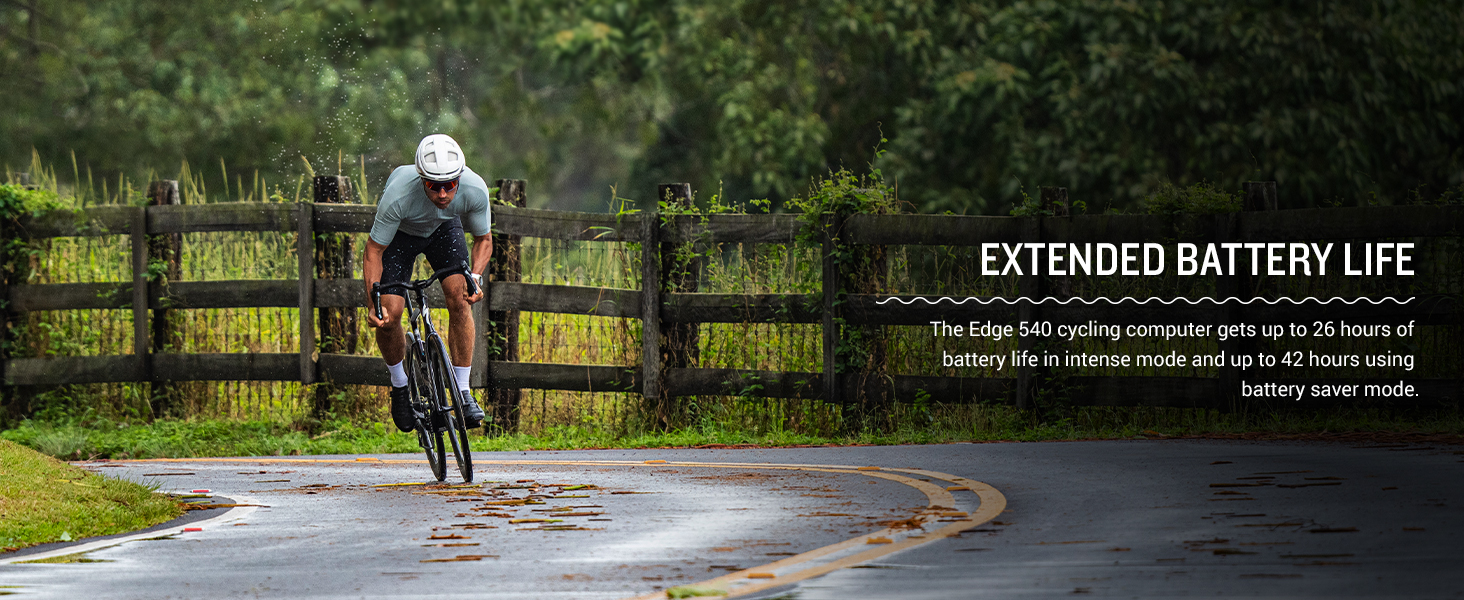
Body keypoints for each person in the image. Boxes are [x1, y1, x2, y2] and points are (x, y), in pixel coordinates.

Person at [364, 133, 490, 431]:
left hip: (444, 230)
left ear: (459, 179)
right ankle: (399, 386)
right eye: (435, 186)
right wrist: (374, 302)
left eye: (450, 186)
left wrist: (474, 277)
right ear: (422, 179)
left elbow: (484, 239)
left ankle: (462, 392)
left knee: (460, 298)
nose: (444, 194)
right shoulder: (399, 194)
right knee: (390, 315)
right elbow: (374, 250)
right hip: (401, 235)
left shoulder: (474, 189)